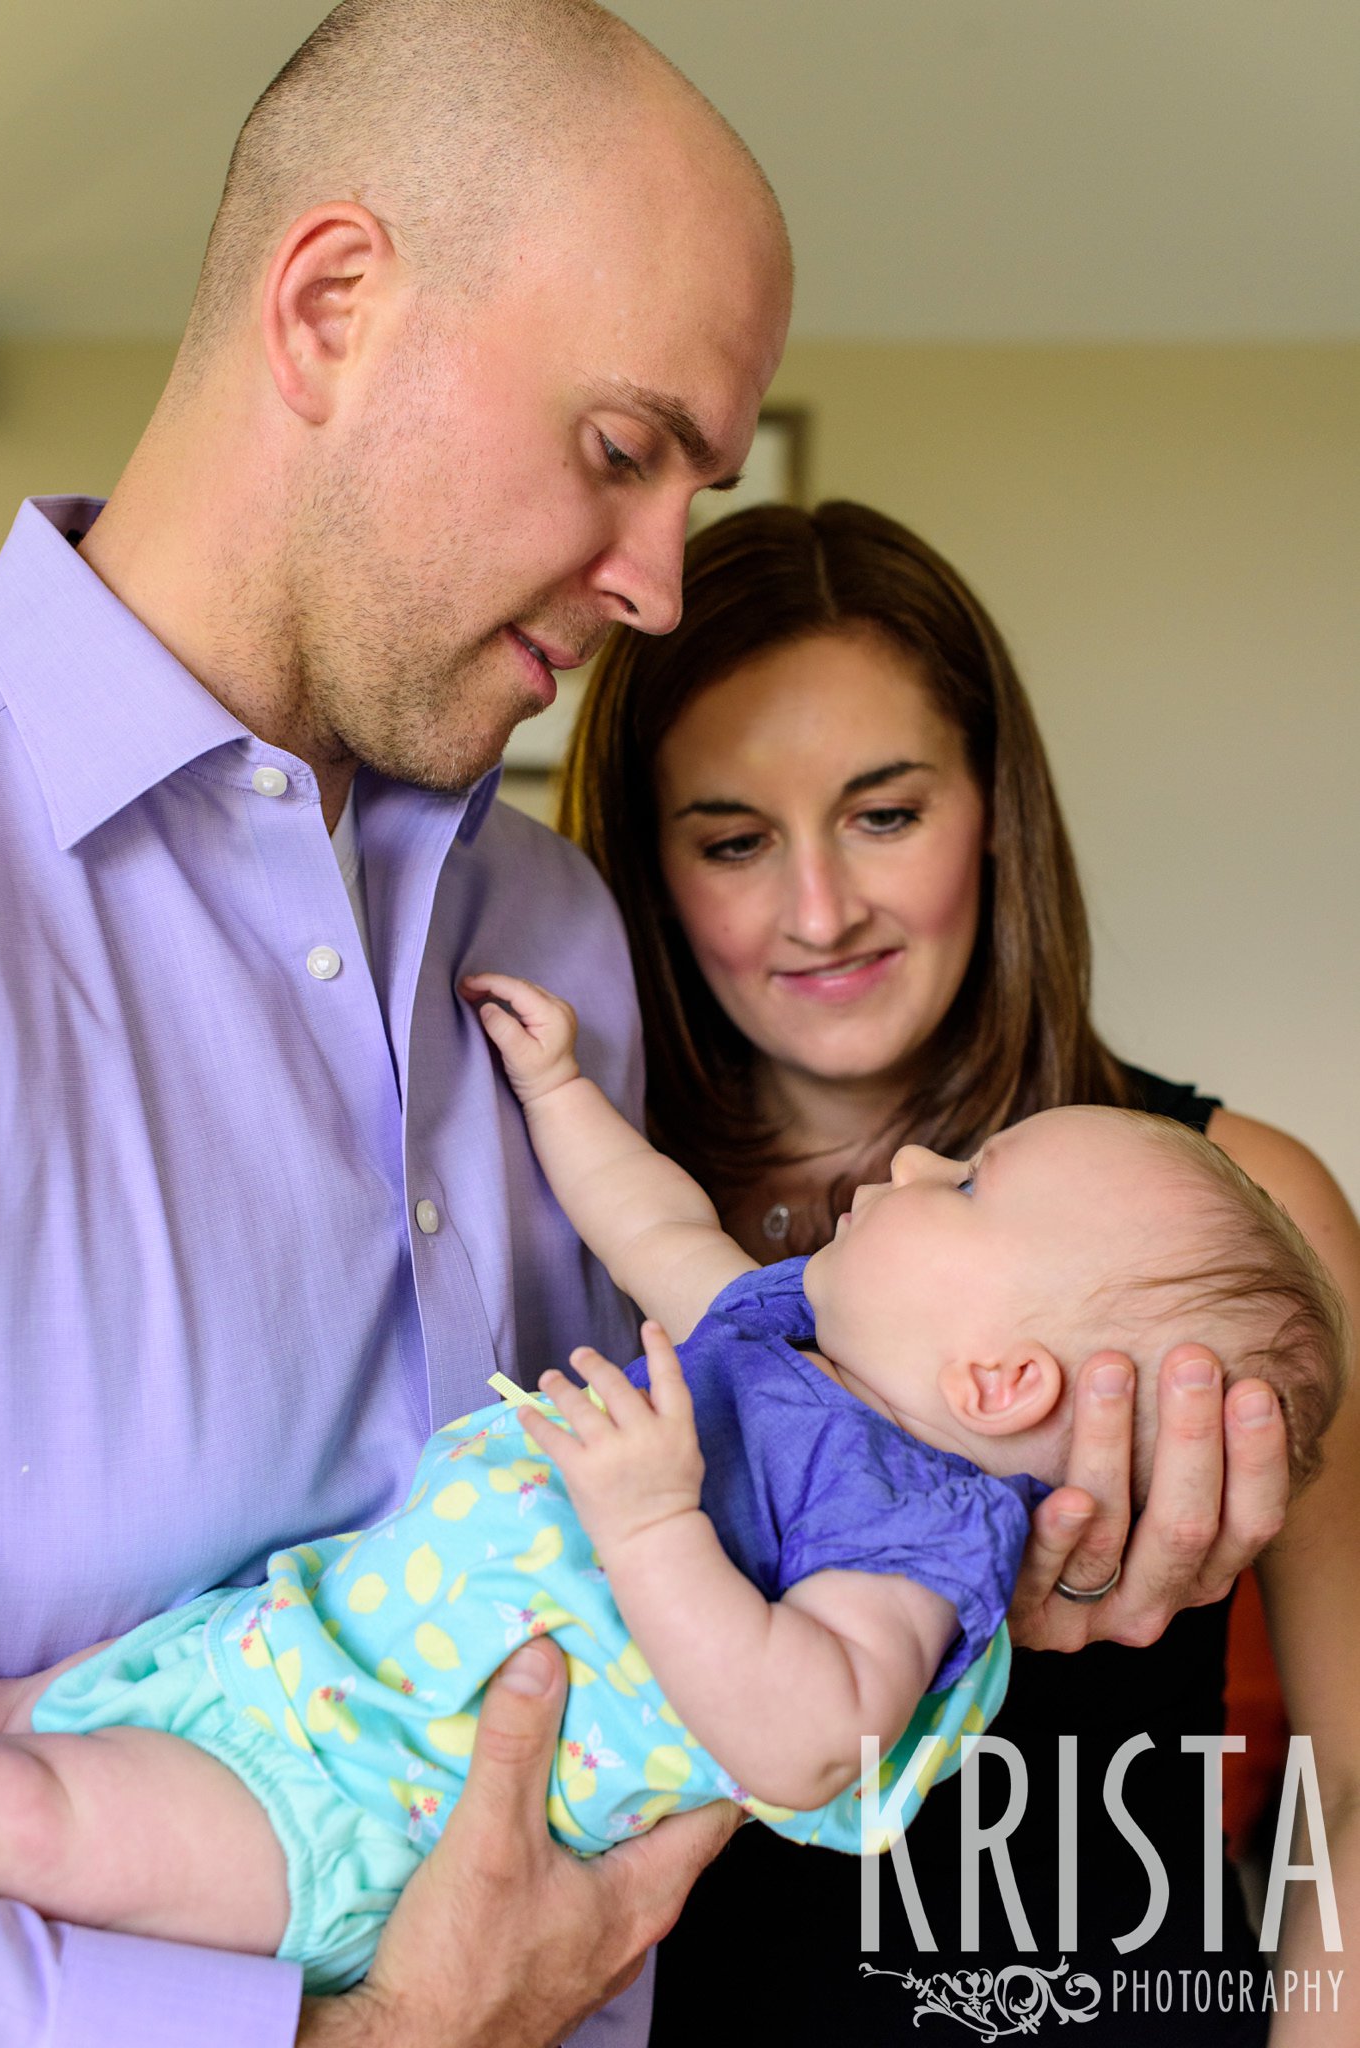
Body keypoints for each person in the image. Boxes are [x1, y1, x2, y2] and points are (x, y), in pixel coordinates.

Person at [0, 2, 796, 2044]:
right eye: (622, 451)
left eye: (694, 486)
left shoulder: (554, 930)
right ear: (332, 305)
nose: (660, 587)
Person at [0, 978, 1346, 1999]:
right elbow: (653, 1226)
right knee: (28, 1717)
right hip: (280, 1653)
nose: (919, 1161)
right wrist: (558, 1091)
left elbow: (814, 1736)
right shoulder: (782, 1343)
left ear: (999, 1382)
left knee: (42, 1824)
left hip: (368, 1812)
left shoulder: (912, 1538)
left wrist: (652, 1524)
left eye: (974, 1184)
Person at [558, 500, 1360, 2046]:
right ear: (651, 872)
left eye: (884, 814)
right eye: (733, 840)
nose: (819, 910)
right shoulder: (567, 1208)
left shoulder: (1248, 1206)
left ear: (994, 808)